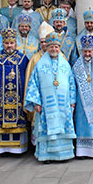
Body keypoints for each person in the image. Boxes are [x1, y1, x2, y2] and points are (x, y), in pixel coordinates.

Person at [25, 32, 76, 162]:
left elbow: (71, 83)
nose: (54, 49)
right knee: (46, 129)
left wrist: (72, 101)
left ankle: (64, 155)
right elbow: (33, 84)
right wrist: (36, 102)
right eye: (51, 47)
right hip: (45, 106)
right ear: (47, 48)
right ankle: (46, 156)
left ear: (59, 48)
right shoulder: (40, 65)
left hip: (63, 104)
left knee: (62, 129)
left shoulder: (65, 65)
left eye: (56, 47)